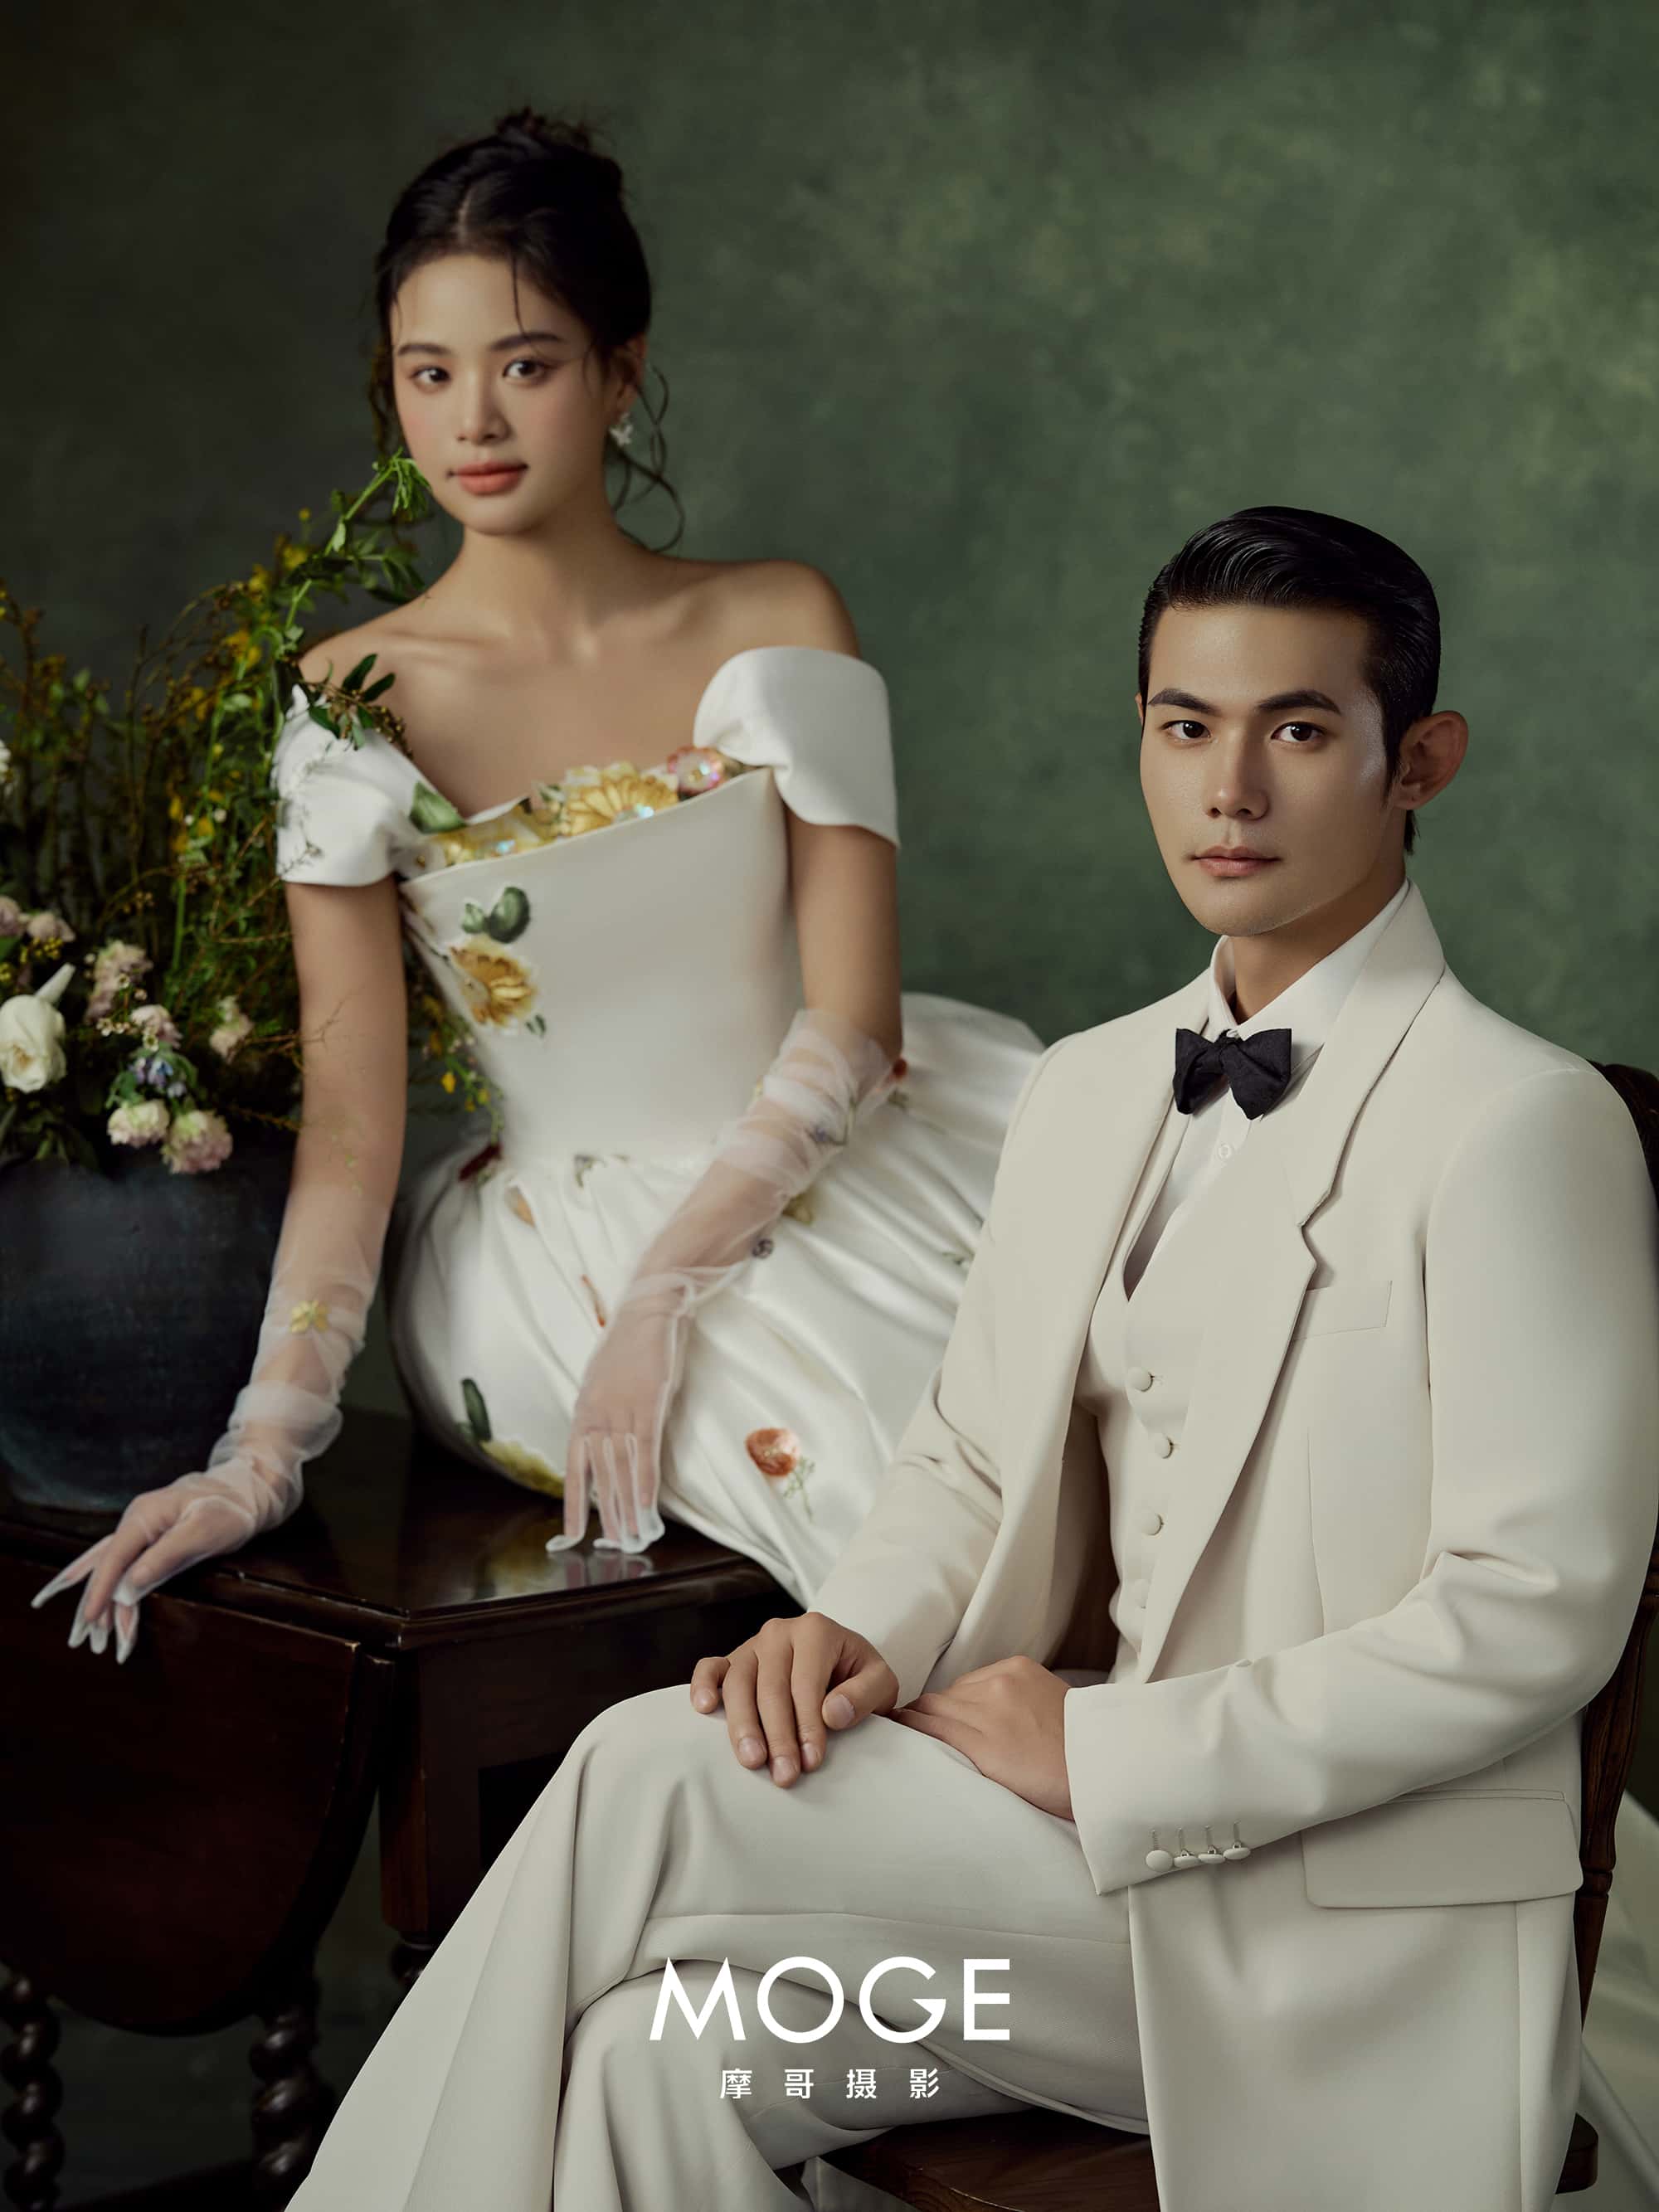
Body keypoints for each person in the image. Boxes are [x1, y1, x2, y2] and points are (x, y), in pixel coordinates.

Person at [285, 507, 1659, 2212]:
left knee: (645, 1777)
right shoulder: (1088, 1087)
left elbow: (1534, 1612)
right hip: (1071, 1938)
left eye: (1299, 731)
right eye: (1186, 727)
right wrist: (853, 1631)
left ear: (1420, 761)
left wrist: (1104, 1753)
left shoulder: (1519, 1123)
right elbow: (966, 1455)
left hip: (1327, 1951)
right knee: (662, 2054)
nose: (1229, 790)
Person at [27, 111, 1039, 1657]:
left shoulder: (777, 619)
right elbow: (353, 1123)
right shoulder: (349, 705)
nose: (475, 420)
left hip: (832, 1157)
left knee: (1115, 1394)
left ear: (623, 373)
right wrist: (261, 1449)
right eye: (428, 374)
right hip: (547, 1258)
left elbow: (855, 1023)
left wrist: (670, 1288)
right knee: (871, 1456)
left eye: (528, 363)